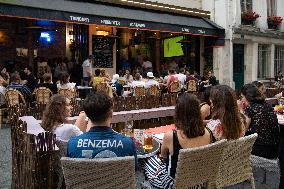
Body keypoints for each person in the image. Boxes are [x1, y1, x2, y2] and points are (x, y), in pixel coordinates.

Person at [144, 93, 215, 188]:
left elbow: (163, 156)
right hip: (197, 183)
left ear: (178, 113)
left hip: (174, 184)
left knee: (147, 160)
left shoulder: (171, 136)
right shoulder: (208, 133)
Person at [67, 92, 137, 159]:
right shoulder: (127, 144)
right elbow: (134, 170)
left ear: (87, 115)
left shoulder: (72, 144)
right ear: (111, 113)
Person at [240, 84, 280, 159]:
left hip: (261, 151)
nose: (241, 100)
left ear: (247, 97)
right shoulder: (266, 105)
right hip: (275, 148)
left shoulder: (251, 108)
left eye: (242, 97)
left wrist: (241, 110)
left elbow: (242, 131)